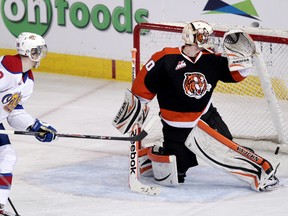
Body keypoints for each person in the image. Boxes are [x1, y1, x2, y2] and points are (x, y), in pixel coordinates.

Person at [128, 20, 279, 190]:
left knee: (227, 151)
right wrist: (137, 107)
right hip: (175, 127)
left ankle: (257, 174)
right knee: (173, 176)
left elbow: (236, 75)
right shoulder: (165, 59)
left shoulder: (211, 59)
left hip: (206, 119)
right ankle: (153, 155)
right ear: (190, 37)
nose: (207, 39)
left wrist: (243, 60)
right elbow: (142, 88)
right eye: (203, 35)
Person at [0, 32, 57, 215]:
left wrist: (36, 126)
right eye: (38, 50)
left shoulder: (27, 81)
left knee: (7, 156)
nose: (41, 54)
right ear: (29, 52)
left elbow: (13, 113)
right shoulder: (8, 65)